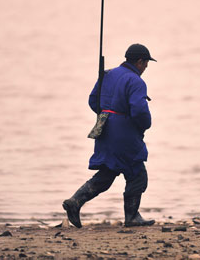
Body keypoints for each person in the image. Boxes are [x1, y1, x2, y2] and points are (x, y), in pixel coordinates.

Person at [63, 43, 157, 228]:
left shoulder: (107, 74)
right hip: (124, 132)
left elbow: (92, 101)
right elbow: (139, 111)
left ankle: (75, 202)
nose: (146, 67)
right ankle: (131, 217)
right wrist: (144, 125)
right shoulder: (136, 81)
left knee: (108, 171)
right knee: (137, 173)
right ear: (139, 61)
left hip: (104, 127)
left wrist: (108, 114)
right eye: (146, 63)